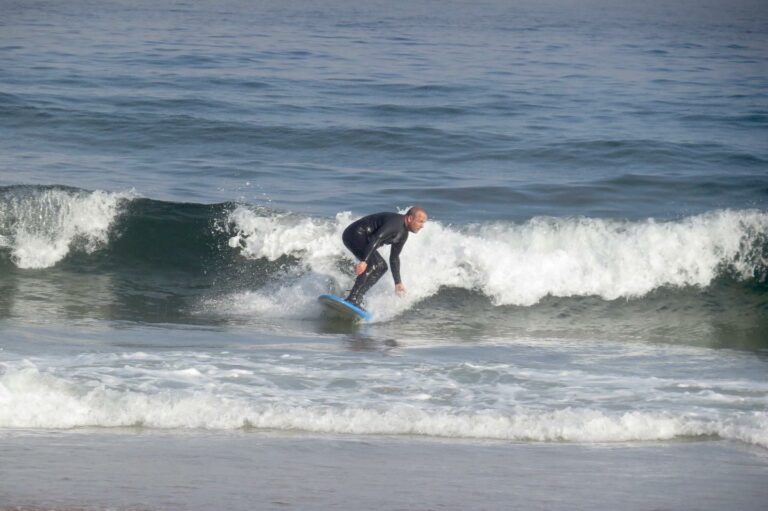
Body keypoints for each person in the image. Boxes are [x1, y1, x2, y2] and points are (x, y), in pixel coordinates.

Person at [342, 207, 428, 308]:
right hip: (354, 234)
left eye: (423, 223)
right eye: (420, 222)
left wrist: (398, 282)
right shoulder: (396, 223)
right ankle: (353, 298)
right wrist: (364, 261)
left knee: (382, 267)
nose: (422, 226)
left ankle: (357, 297)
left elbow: (394, 257)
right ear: (410, 218)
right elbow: (377, 238)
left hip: (364, 239)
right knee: (375, 264)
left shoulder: (403, 234)